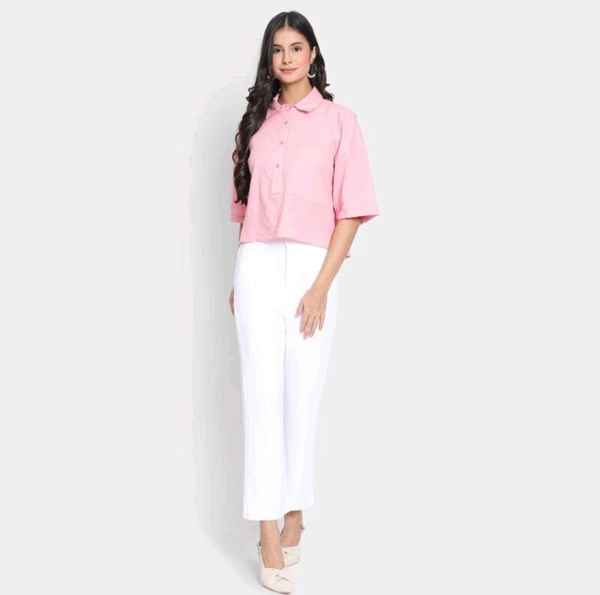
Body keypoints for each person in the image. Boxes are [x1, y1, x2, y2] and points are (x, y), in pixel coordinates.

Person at [228, 10, 379, 593]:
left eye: (296, 47)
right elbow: (244, 210)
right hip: (257, 264)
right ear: (269, 59)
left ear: (313, 54)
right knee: (261, 397)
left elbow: (352, 209)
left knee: (301, 398)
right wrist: (241, 277)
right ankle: (267, 532)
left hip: (313, 269)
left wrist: (321, 285)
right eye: (277, 49)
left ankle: (295, 513)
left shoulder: (341, 122)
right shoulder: (255, 123)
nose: (286, 58)